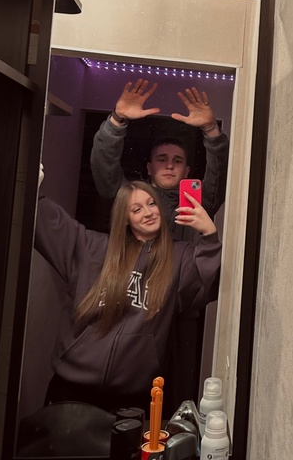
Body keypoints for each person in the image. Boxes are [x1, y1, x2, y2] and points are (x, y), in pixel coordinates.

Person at [35, 177, 221, 414]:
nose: (148, 212)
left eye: (151, 204)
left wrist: (208, 234)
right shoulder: (94, 248)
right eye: (137, 209)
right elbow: (54, 227)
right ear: (125, 218)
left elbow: (208, 284)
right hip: (71, 391)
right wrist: (34, 190)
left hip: (133, 398)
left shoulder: (180, 257)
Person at [90, 78, 230, 244]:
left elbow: (220, 171)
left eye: (177, 161)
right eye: (162, 159)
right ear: (149, 168)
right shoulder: (132, 197)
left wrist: (211, 128)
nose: (169, 165)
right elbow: (104, 166)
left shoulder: (197, 204)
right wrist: (117, 119)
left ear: (186, 171)